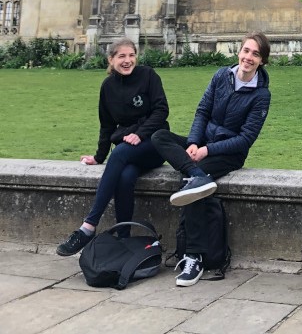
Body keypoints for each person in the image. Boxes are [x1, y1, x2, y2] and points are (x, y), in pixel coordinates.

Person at [151, 31, 271, 286]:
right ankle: (197, 176)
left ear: (262, 61)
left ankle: (193, 257)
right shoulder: (221, 75)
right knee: (160, 136)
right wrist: (194, 142)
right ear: (239, 51)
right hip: (202, 145)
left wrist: (207, 151)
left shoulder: (261, 95)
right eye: (246, 51)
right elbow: (202, 111)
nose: (248, 57)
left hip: (228, 154)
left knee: (192, 188)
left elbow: (245, 139)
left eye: (255, 54)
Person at [56, 38, 169, 256]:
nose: (127, 61)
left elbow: (161, 111)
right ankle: (124, 239)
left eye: (131, 55)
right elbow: (106, 124)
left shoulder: (148, 76)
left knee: (119, 153)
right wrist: (99, 156)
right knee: (125, 177)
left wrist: (140, 134)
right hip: (127, 148)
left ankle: (89, 226)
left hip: (153, 143)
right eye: (122, 56)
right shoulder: (107, 87)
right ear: (111, 59)